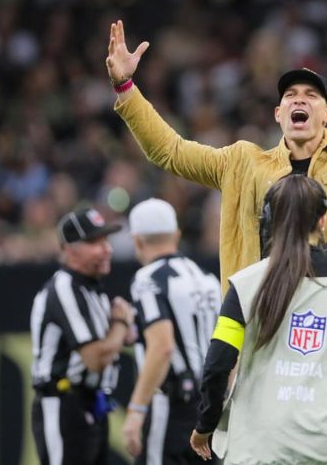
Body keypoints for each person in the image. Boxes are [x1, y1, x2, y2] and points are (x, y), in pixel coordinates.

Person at [106, 3, 327, 463]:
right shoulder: (242, 162)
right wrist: (126, 88)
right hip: (275, 331)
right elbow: (171, 152)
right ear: (278, 113)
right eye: (291, 95)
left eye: (311, 95)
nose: (300, 100)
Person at [189, 175, 327, 464]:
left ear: (269, 221)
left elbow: (217, 366)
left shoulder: (245, 285)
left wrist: (205, 426)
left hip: (263, 448)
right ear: (323, 220)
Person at [30, 206, 135, 465]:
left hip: (90, 403)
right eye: (94, 242)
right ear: (68, 249)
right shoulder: (65, 287)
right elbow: (95, 358)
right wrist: (120, 324)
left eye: (106, 240)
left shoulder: (92, 289)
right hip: (63, 404)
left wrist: (122, 332)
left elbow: (114, 342)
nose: (106, 249)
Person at [122, 198, 222, 464]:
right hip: (210, 405)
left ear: (138, 241)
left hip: (171, 405)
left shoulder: (148, 279)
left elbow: (163, 346)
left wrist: (135, 410)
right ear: (176, 235)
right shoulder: (206, 278)